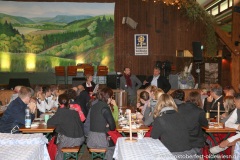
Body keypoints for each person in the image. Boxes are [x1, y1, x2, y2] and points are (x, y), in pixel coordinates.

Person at [151, 94, 195, 158]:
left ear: (158, 104)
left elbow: (154, 136)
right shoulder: (182, 115)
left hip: (172, 154)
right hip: (189, 152)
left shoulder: (160, 119)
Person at [47, 94, 85, 160]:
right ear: (69, 101)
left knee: (59, 151)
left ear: (59, 103)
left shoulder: (61, 112)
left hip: (71, 139)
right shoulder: (74, 110)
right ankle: (68, 155)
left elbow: (49, 123)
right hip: (81, 138)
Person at [87, 87, 116, 160]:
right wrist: (108, 125)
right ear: (108, 98)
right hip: (100, 140)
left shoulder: (94, 106)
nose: (111, 99)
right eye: (111, 97)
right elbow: (113, 127)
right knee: (115, 146)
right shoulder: (105, 108)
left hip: (90, 139)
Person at [178, 91, 208, 156]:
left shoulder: (178, 107)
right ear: (199, 99)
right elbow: (205, 125)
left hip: (180, 139)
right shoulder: (199, 111)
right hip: (195, 140)